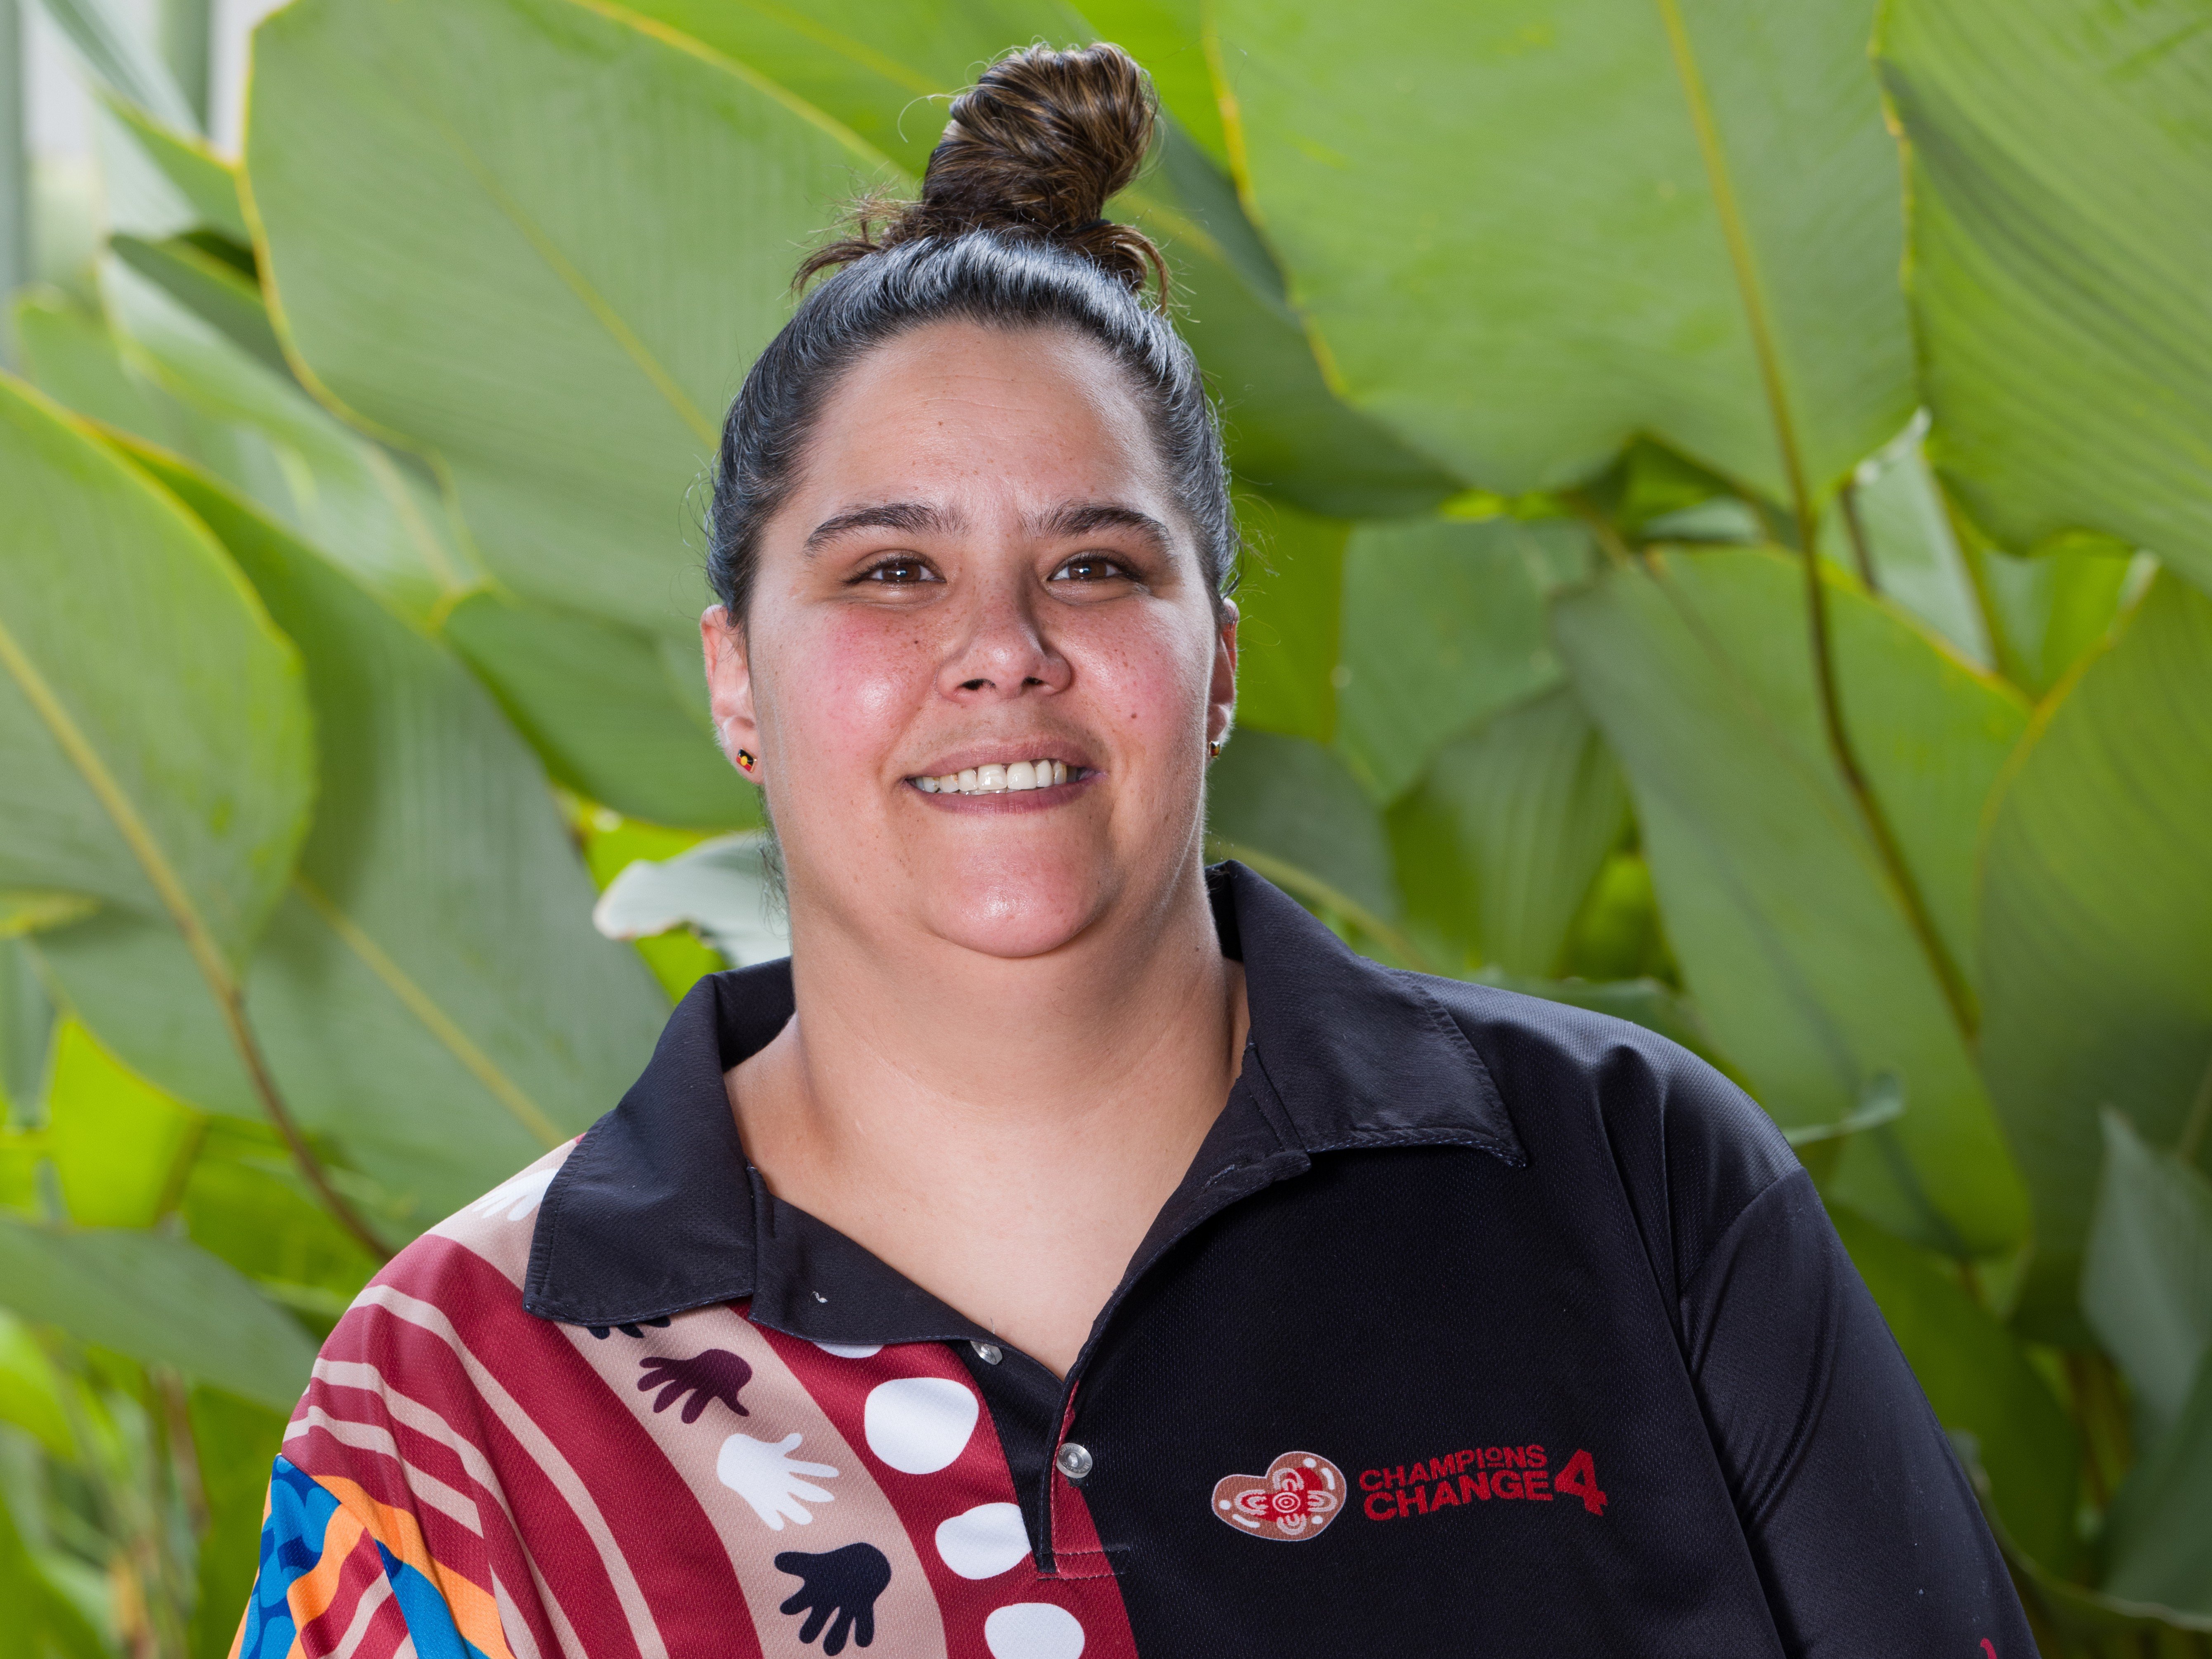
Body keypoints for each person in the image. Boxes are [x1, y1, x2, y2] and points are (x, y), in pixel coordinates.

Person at [234, 41, 2037, 1659]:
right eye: (889, 571)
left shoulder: (1623, 1179)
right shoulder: (458, 1403)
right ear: (735, 681)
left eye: (1093, 565)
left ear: (1218, 659)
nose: (1000, 646)